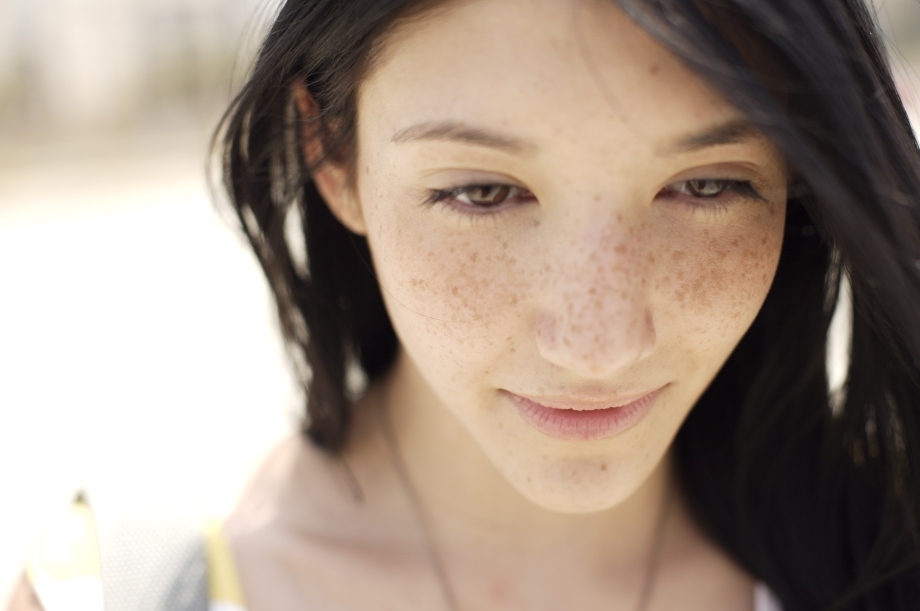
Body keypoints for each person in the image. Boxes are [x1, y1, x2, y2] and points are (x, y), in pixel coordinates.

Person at [9, 0, 920, 609]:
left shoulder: (884, 553)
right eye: (483, 192)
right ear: (331, 153)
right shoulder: (109, 592)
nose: (596, 344)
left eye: (709, 184)